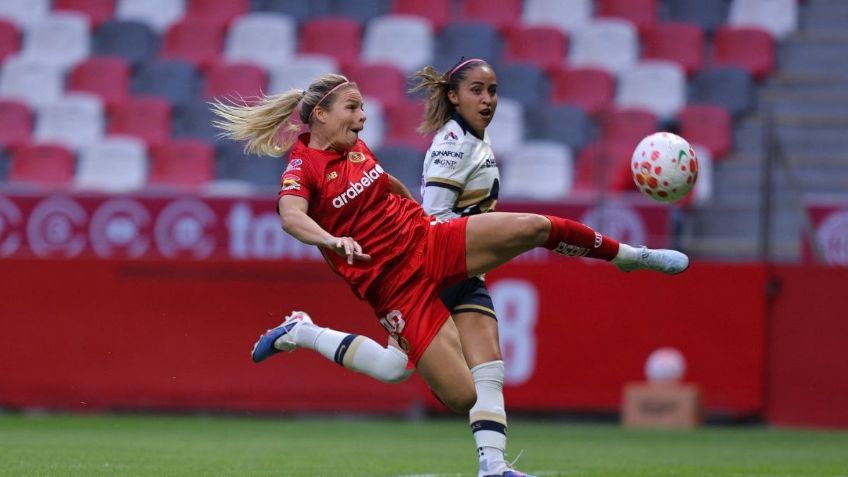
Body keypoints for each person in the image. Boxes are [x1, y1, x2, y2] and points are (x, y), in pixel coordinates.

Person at [212, 71, 688, 477]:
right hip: (393, 288)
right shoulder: (303, 166)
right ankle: (303, 331)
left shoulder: (357, 149)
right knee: (461, 395)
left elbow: (386, 182)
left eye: (362, 109)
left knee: (533, 226)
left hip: (426, 241)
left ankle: (628, 254)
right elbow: (291, 216)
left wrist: (411, 206)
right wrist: (331, 240)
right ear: (320, 115)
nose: (362, 117)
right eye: (352, 109)